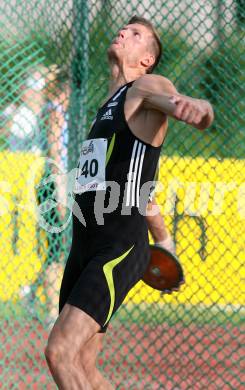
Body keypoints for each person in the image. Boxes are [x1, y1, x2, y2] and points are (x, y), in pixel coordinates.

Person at [44, 15, 214, 389]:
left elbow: (181, 101)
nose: (123, 32)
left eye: (136, 34)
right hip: (86, 246)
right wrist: (166, 243)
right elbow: (140, 191)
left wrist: (199, 108)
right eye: (125, 29)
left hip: (117, 246)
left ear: (147, 59)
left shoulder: (146, 86)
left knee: (60, 352)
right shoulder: (108, 105)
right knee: (84, 367)